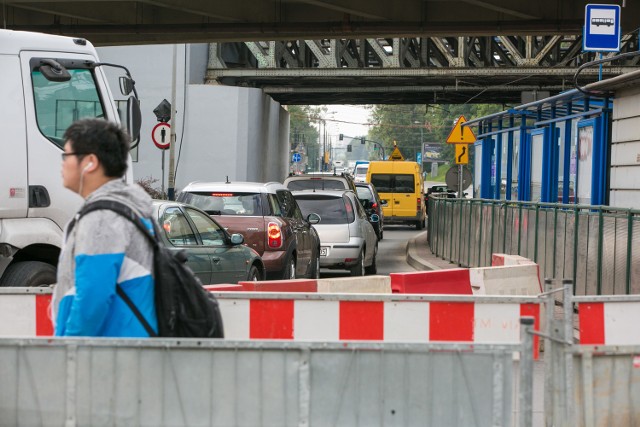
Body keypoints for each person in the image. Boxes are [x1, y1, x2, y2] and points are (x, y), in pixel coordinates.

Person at [52, 118, 158, 337]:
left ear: (90, 162)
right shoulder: (129, 209)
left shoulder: (103, 218)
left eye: (67, 155)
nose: (62, 163)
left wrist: (69, 349)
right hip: (128, 350)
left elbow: (93, 296)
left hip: (106, 356)